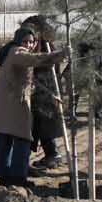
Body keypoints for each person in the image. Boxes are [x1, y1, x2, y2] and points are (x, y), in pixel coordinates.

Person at [0, 27, 67, 188]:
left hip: (6, 103)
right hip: (14, 102)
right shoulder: (17, 52)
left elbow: (30, 80)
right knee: (23, 139)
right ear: (18, 41)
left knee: (6, 137)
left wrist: (50, 94)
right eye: (26, 41)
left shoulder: (10, 52)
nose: (29, 44)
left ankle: (5, 173)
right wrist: (60, 54)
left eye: (32, 41)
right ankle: (17, 177)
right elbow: (36, 60)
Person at [21, 15, 67, 171]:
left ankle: (52, 154)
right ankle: (46, 154)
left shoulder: (47, 46)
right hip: (37, 90)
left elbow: (44, 65)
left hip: (46, 90)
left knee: (42, 125)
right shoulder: (34, 44)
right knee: (35, 126)